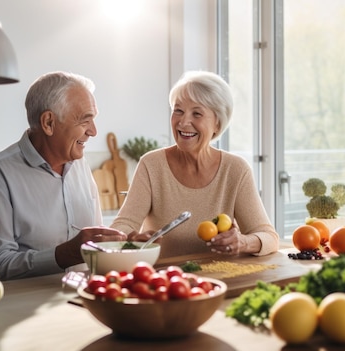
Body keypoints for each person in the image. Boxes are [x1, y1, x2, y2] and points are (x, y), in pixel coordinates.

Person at [0, 71, 126, 280]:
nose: (93, 131)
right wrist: (63, 254)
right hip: (21, 309)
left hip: (82, 300)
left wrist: (125, 245)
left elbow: (94, 246)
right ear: (48, 123)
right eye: (85, 121)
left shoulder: (80, 166)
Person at [111, 71, 279, 258]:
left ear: (217, 123)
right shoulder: (151, 165)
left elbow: (269, 237)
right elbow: (123, 224)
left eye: (197, 113)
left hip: (224, 278)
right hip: (165, 280)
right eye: (178, 111)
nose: (183, 122)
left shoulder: (235, 169)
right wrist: (130, 239)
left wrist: (243, 242)